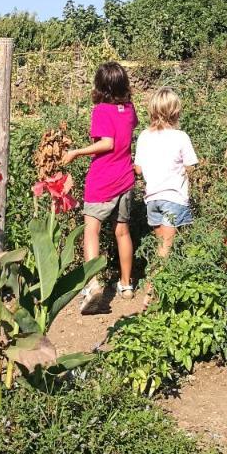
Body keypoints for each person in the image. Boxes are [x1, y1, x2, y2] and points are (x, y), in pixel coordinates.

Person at [62, 61, 138, 312]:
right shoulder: (128, 108)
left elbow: (107, 143)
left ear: (100, 86)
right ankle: (126, 285)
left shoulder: (101, 110)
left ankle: (92, 284)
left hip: (103, 179)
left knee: (91, 229)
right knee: (122, 232)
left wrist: (77, 152)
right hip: (125, 177)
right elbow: (127, 133)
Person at [133, 87, 199, 269]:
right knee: (165, 250)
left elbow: (137, 169)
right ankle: (151, 292)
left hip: (152, 199)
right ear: (175, 111)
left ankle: (157, 288)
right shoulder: (181, 137)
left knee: (161, 246)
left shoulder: (144, 136)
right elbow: (191, 167)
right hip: (174, 198)